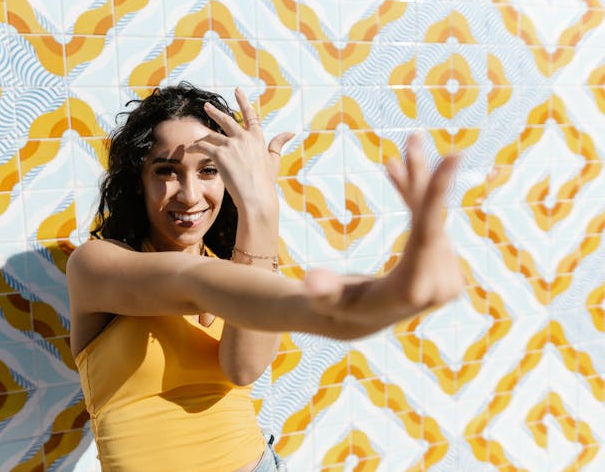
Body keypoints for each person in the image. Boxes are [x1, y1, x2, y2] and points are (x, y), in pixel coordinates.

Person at [66, 82, 464, 471]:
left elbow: (244, 367)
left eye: (209, 170)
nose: (189, 194)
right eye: (167, 171)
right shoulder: (97, 266)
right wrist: (259, 203)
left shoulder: (240, 264)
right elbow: (192, 281)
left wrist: (392, 296)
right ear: (138, 181)